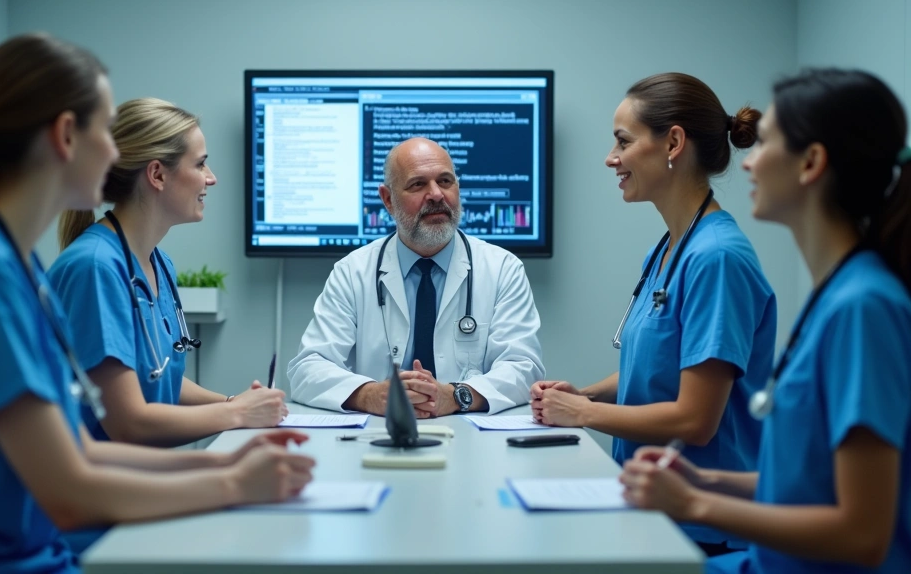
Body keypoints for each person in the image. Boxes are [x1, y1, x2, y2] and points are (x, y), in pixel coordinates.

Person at [0, 34, 314, 573]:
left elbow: (79, 454)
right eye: (105, 130)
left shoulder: (15, 266)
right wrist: (230, 480)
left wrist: (229, 465)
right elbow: (69, 490)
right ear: (66, 135)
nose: (115, 153)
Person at [621, 68, 911, 574]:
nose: (749, 163)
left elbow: (864, 533)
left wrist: (693, 505)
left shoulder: (864, 306)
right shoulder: (838, 294)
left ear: (811, 163)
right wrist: (700, 479)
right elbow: (803, 479)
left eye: (767, 144)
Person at [530, 73, 777, 554]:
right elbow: (655, 373)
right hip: (655, 510)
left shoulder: (718, 257)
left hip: (707, 530)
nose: (611, 157)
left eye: (623, 141)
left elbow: (694, 419)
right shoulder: (666, 250)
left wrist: (583, 412)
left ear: (674, 142)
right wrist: (584, 391)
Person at [50, 98, 287, 447]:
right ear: (157, 174)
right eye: (201, 164)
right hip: (95, 490)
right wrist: (238, 414)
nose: (212, 178)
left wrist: (234, 403)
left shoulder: (158, 263)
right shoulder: (96, 267)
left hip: (139, 476)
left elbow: (160, 380)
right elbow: (128, 423)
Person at [289, 137, 544, 417]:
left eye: (445, 181)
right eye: (417, 184)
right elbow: (307, 368)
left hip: (472, 435)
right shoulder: (352, 272)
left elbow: (523, 367)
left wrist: (457, 395)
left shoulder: (502, 268)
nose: (436, 194)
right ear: (388, 200)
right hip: (376, 436)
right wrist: (370, 395)